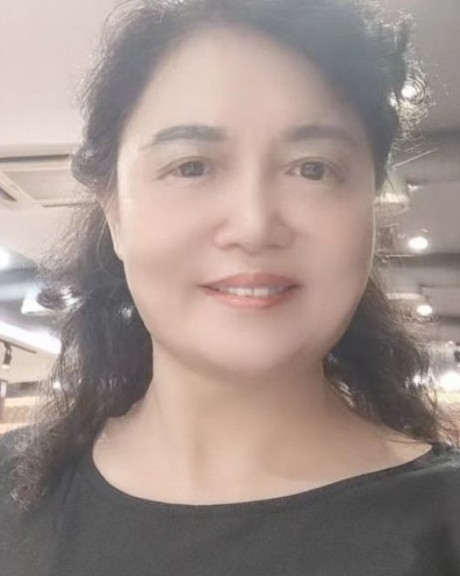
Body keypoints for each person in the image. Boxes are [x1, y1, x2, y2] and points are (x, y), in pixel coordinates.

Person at [1, 0, 460, 574]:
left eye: (313, 168)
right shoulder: (15, 496)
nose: (253, 225)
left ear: (371, 205)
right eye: (192, 167)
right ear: (113, 210)